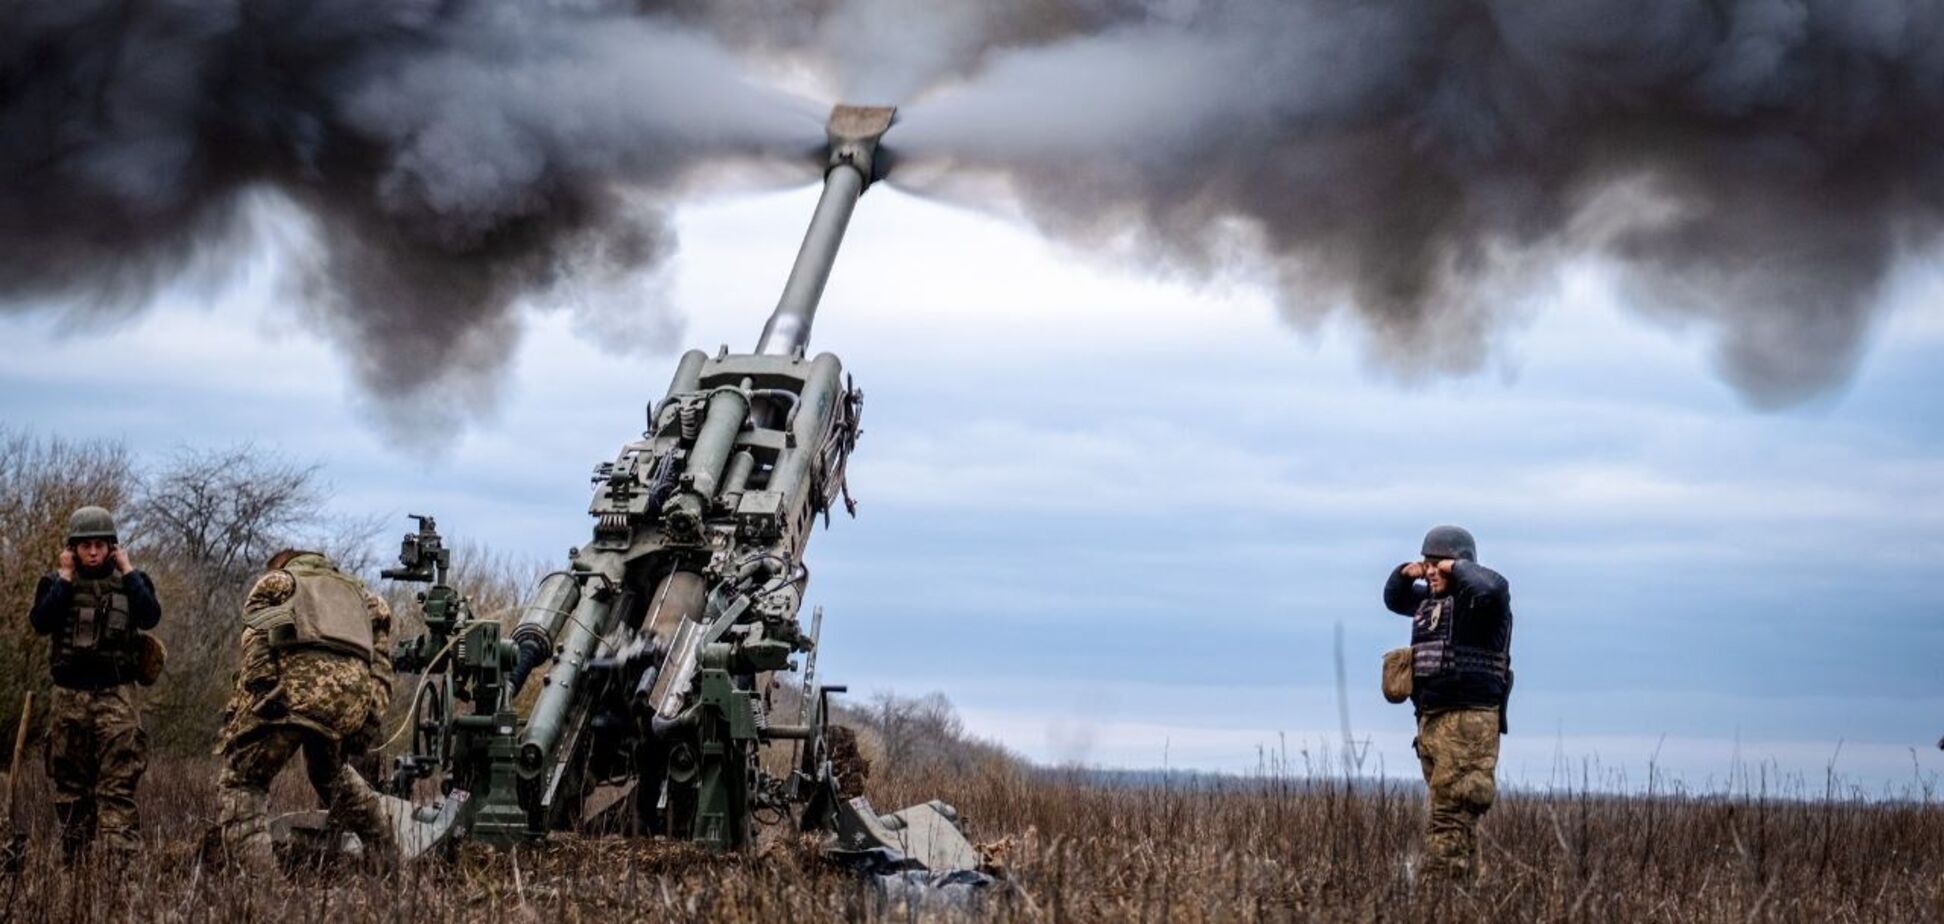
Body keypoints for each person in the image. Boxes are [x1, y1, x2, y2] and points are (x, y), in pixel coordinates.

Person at [213, 549, 399, 871]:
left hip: (292, 695)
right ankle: (387, 858)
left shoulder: (279, 582)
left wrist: (261, 690)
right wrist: (366, 723)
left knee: (244, 782)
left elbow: (256, 638)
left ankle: (264, 891)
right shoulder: (366, 599)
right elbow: (381, 670)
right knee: (330, 773)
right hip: (346, 705)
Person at [28, 505, 163, 860]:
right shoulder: (55, 583)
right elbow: (42, 623)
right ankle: (75, 866)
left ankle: (121, 868)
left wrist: (129, 570)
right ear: (73, 549)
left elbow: (150, 616)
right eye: (85, 545)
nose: (92, 552)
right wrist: (64, 579)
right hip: (68, 696)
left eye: (100, 545)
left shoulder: (132, 582)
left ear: (112, 547)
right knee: (70, 786)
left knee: (118, 783)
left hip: (116, 694)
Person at [1383, 524, 1512, 881]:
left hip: (1468, 725)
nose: (1432, 571)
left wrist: (1453, 566)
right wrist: (1405, 572)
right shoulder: (1432, 604)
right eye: (1427, 563)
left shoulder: (1483, 606)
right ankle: (1465, 898)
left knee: (1450, 818)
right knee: (1453, 819)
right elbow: (1393, 598)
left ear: (1461, 564)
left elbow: (1493, 586)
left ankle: (1439, 898)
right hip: (1432, 723)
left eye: (1439, 564)